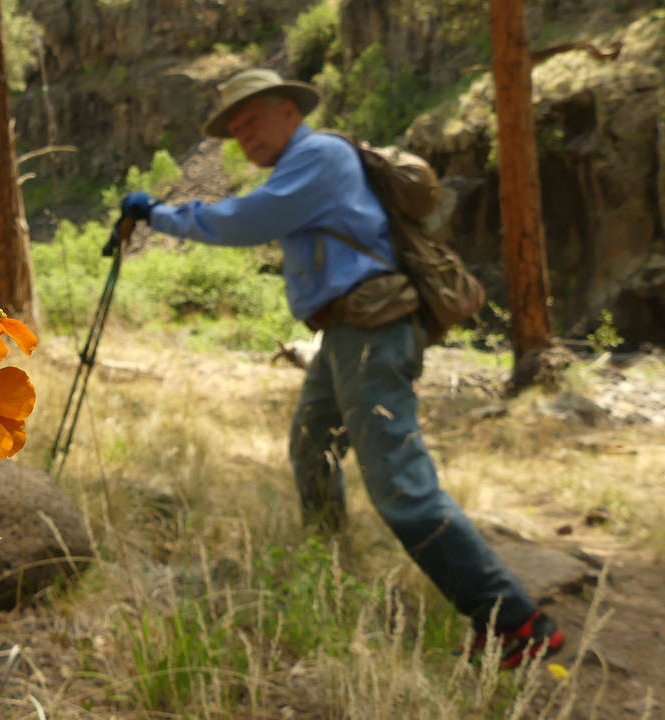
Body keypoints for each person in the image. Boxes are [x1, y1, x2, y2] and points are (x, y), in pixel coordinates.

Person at [119, 68, 563, 668]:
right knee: (312, 446)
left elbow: (245, 221)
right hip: (346, 334)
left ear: (290, 113)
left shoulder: (319, 155)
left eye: (253, 118)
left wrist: (160, 214)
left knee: (401, 486)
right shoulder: (302, 165)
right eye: (235, 126)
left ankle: (519, 624)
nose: (243, 133)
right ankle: (328, 573)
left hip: (371, 331)